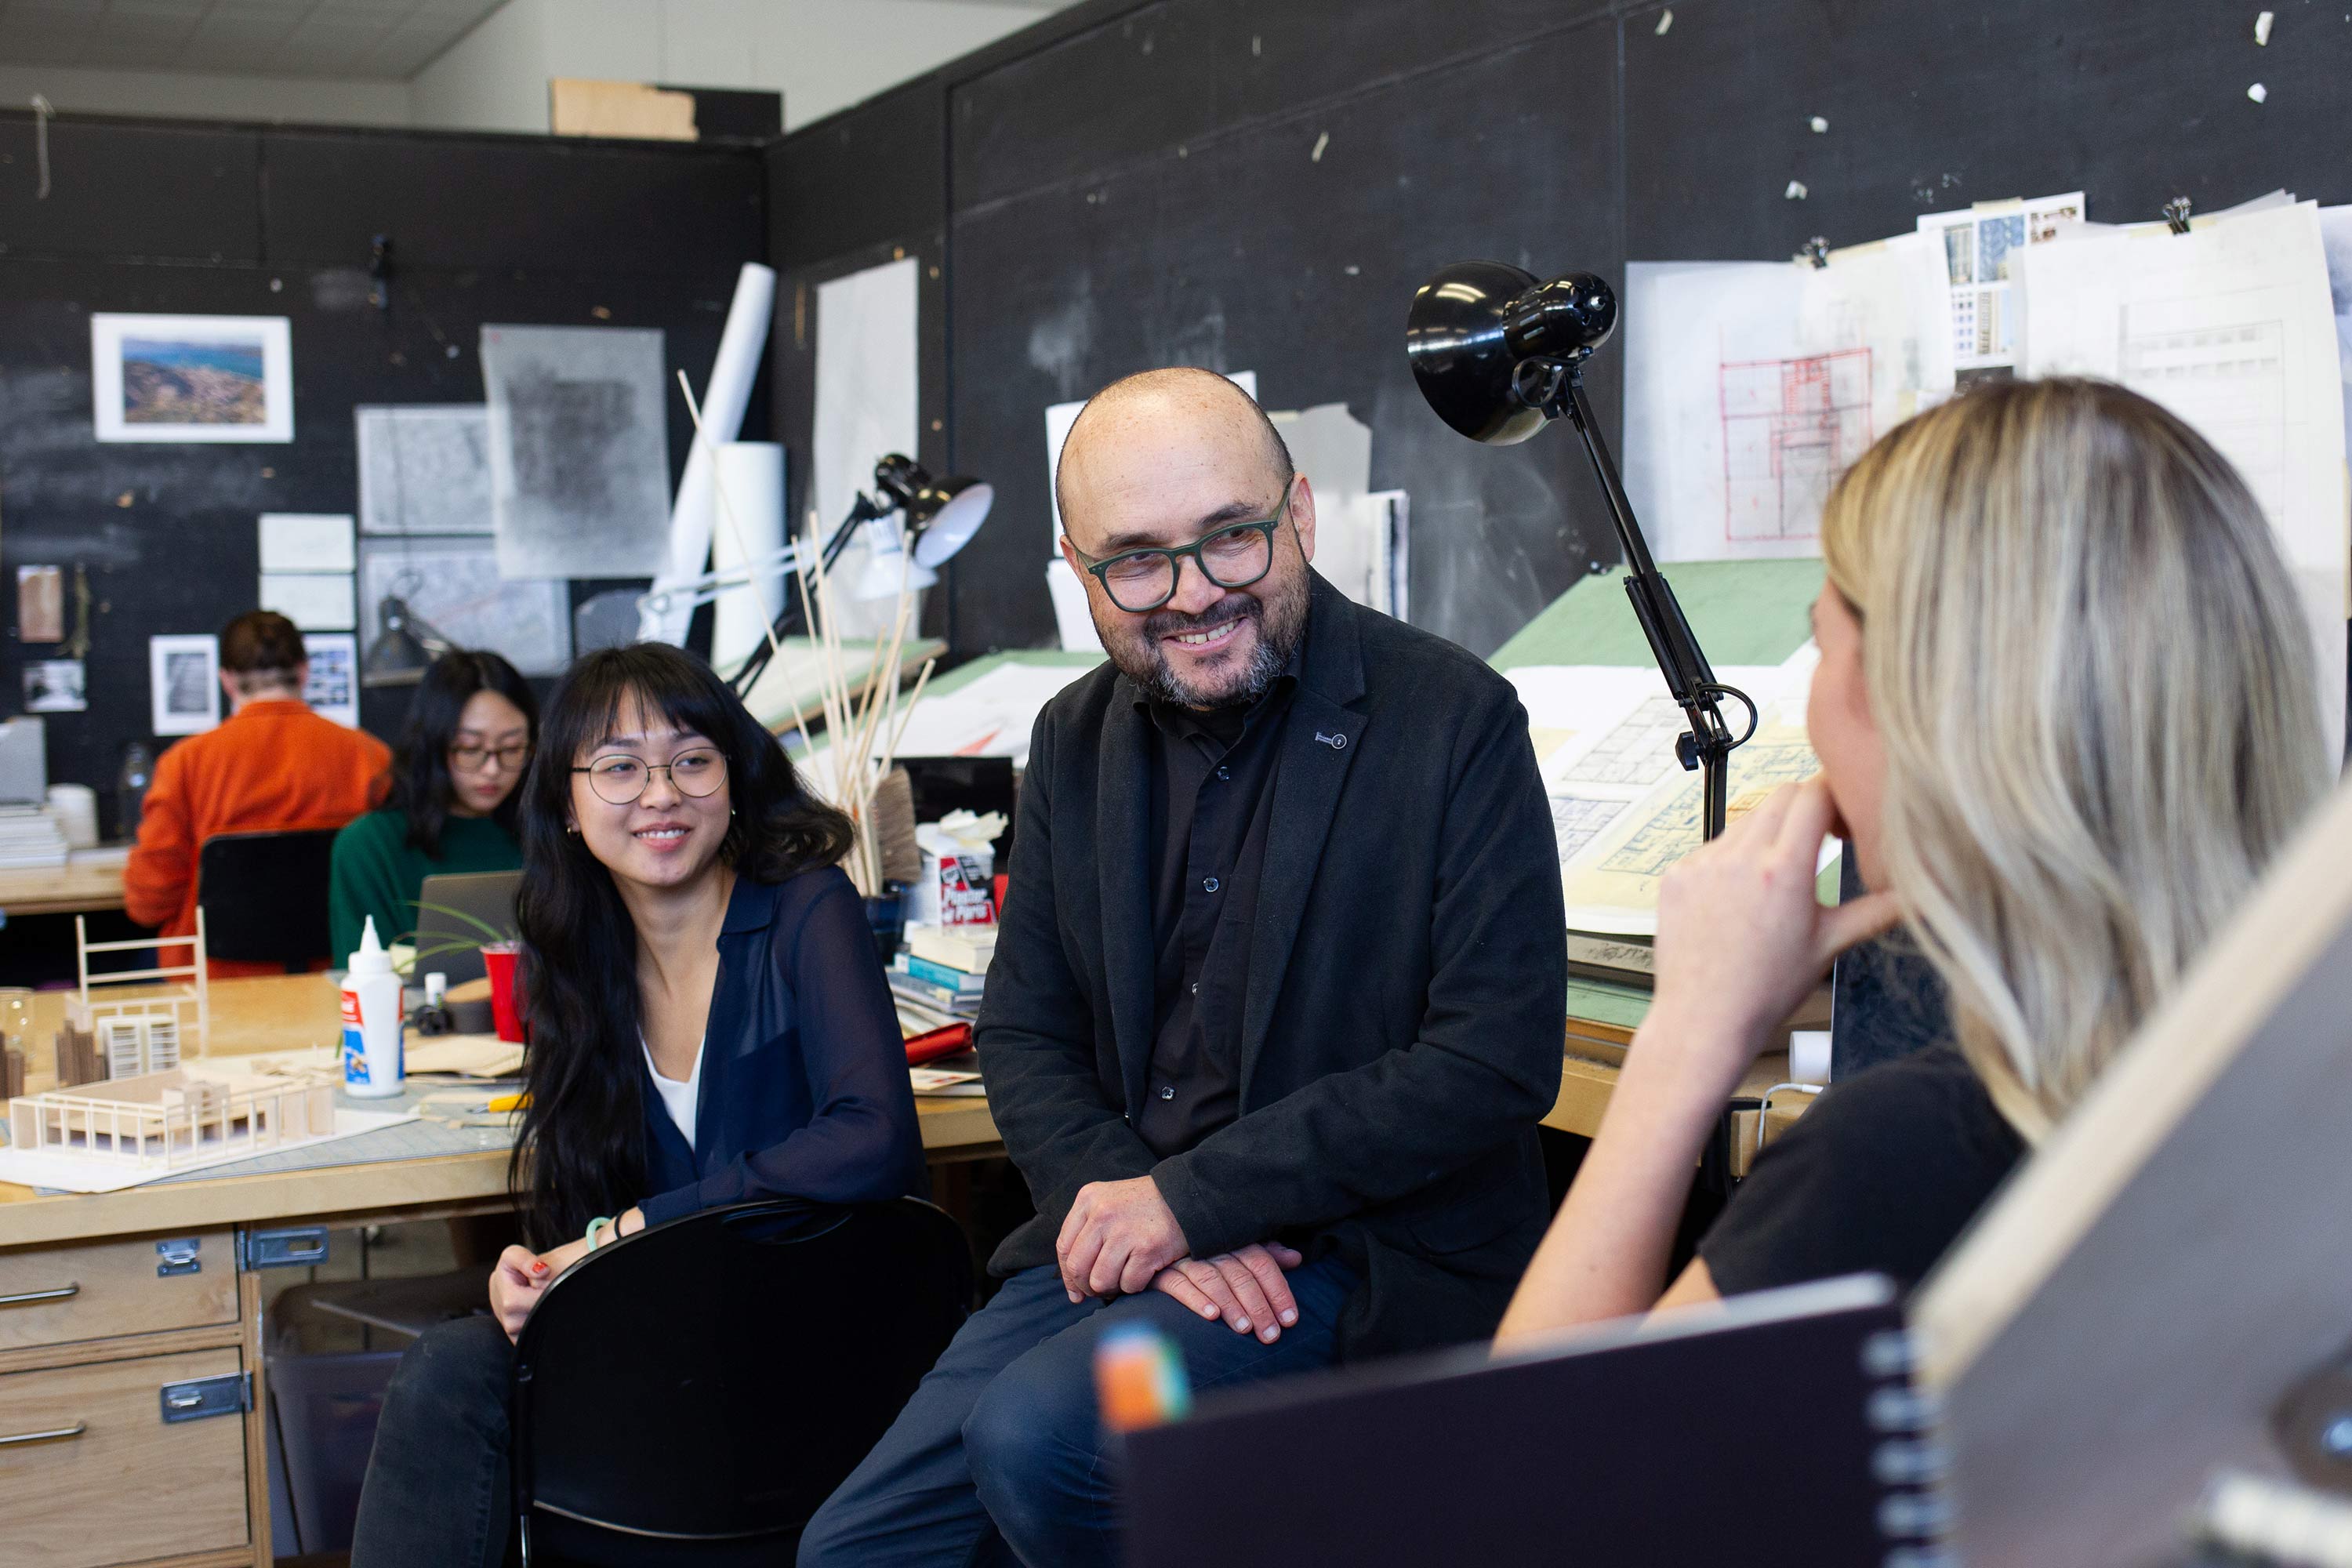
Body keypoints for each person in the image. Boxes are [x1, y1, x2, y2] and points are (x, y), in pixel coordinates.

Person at [800, 368, 1567, 1566]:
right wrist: (1145, 1208)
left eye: (1232, 540)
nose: (1195, 594)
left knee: (1044, 1439)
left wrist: (1196, 1205)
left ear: (1300, 516)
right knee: (860, 1549)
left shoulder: (1453, 717)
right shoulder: (1072, 737)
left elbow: (1492, 1058)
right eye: (1138, 562)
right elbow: (1026, 1033)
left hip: (1358, 1256)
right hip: (1135, 1235)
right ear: (1079, 569)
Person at [1494, 377, 2330, 1347]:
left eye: (1823, 648)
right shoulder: (2291, 1088)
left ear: (1923, 703)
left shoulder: (1906, 1156)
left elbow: (1521, 1472)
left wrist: (1685, 1039)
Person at [350, 641, 929, 1568]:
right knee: (452, 1369)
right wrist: (540, 1272)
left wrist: (629, 1230)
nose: (660, 792)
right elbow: (584, 1202)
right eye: (619, 766)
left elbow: (875, 1139)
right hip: (661, 1344)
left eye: (691, 759)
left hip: (814, 1342)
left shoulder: (803, 909)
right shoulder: (576, 962)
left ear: (733, 780)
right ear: (571, 806)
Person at [125, 609, 390, 978]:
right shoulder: (371, 757)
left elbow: (147, 901)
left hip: (215, 984)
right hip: (340, 975)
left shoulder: (184, 764)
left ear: (227, 681)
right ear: (304, 671)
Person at [328, 650, 536, 961]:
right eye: (469, 748)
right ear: (433, 746)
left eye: (511, 748)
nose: (492, 769)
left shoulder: (550, 832)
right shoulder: (369, 846)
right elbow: (361, 978)